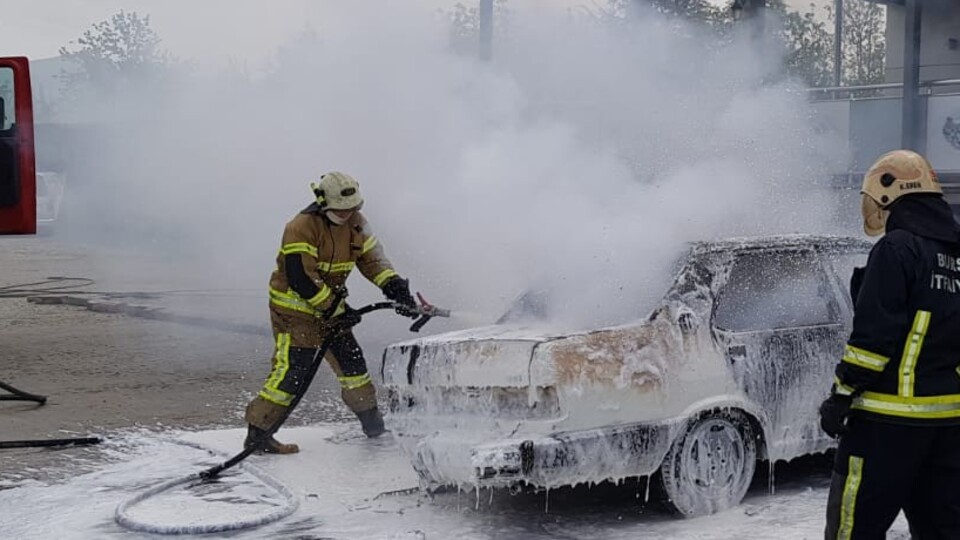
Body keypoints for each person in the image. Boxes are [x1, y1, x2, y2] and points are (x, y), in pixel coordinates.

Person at [820, 150, 960, 539]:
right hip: (948, 428)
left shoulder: (898, 248)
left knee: (853, 529)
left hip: (885, 427)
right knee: (943, 529)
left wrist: (841, 395)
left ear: (889, 192)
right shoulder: (954, 253)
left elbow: (872, 341)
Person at [244, 171, 419, 454]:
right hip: (295, 313)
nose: (349, 215)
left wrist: (393, 284)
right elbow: (301, 279)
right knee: (292, 374)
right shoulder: (301, 227)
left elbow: (372, 260)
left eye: (354, 209)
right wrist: (337, 309)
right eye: (342, 210)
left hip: (330, 311)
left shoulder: (357, 224)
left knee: (354, 367)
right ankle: (258, 434)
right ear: (324, 203)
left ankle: (373, 426)